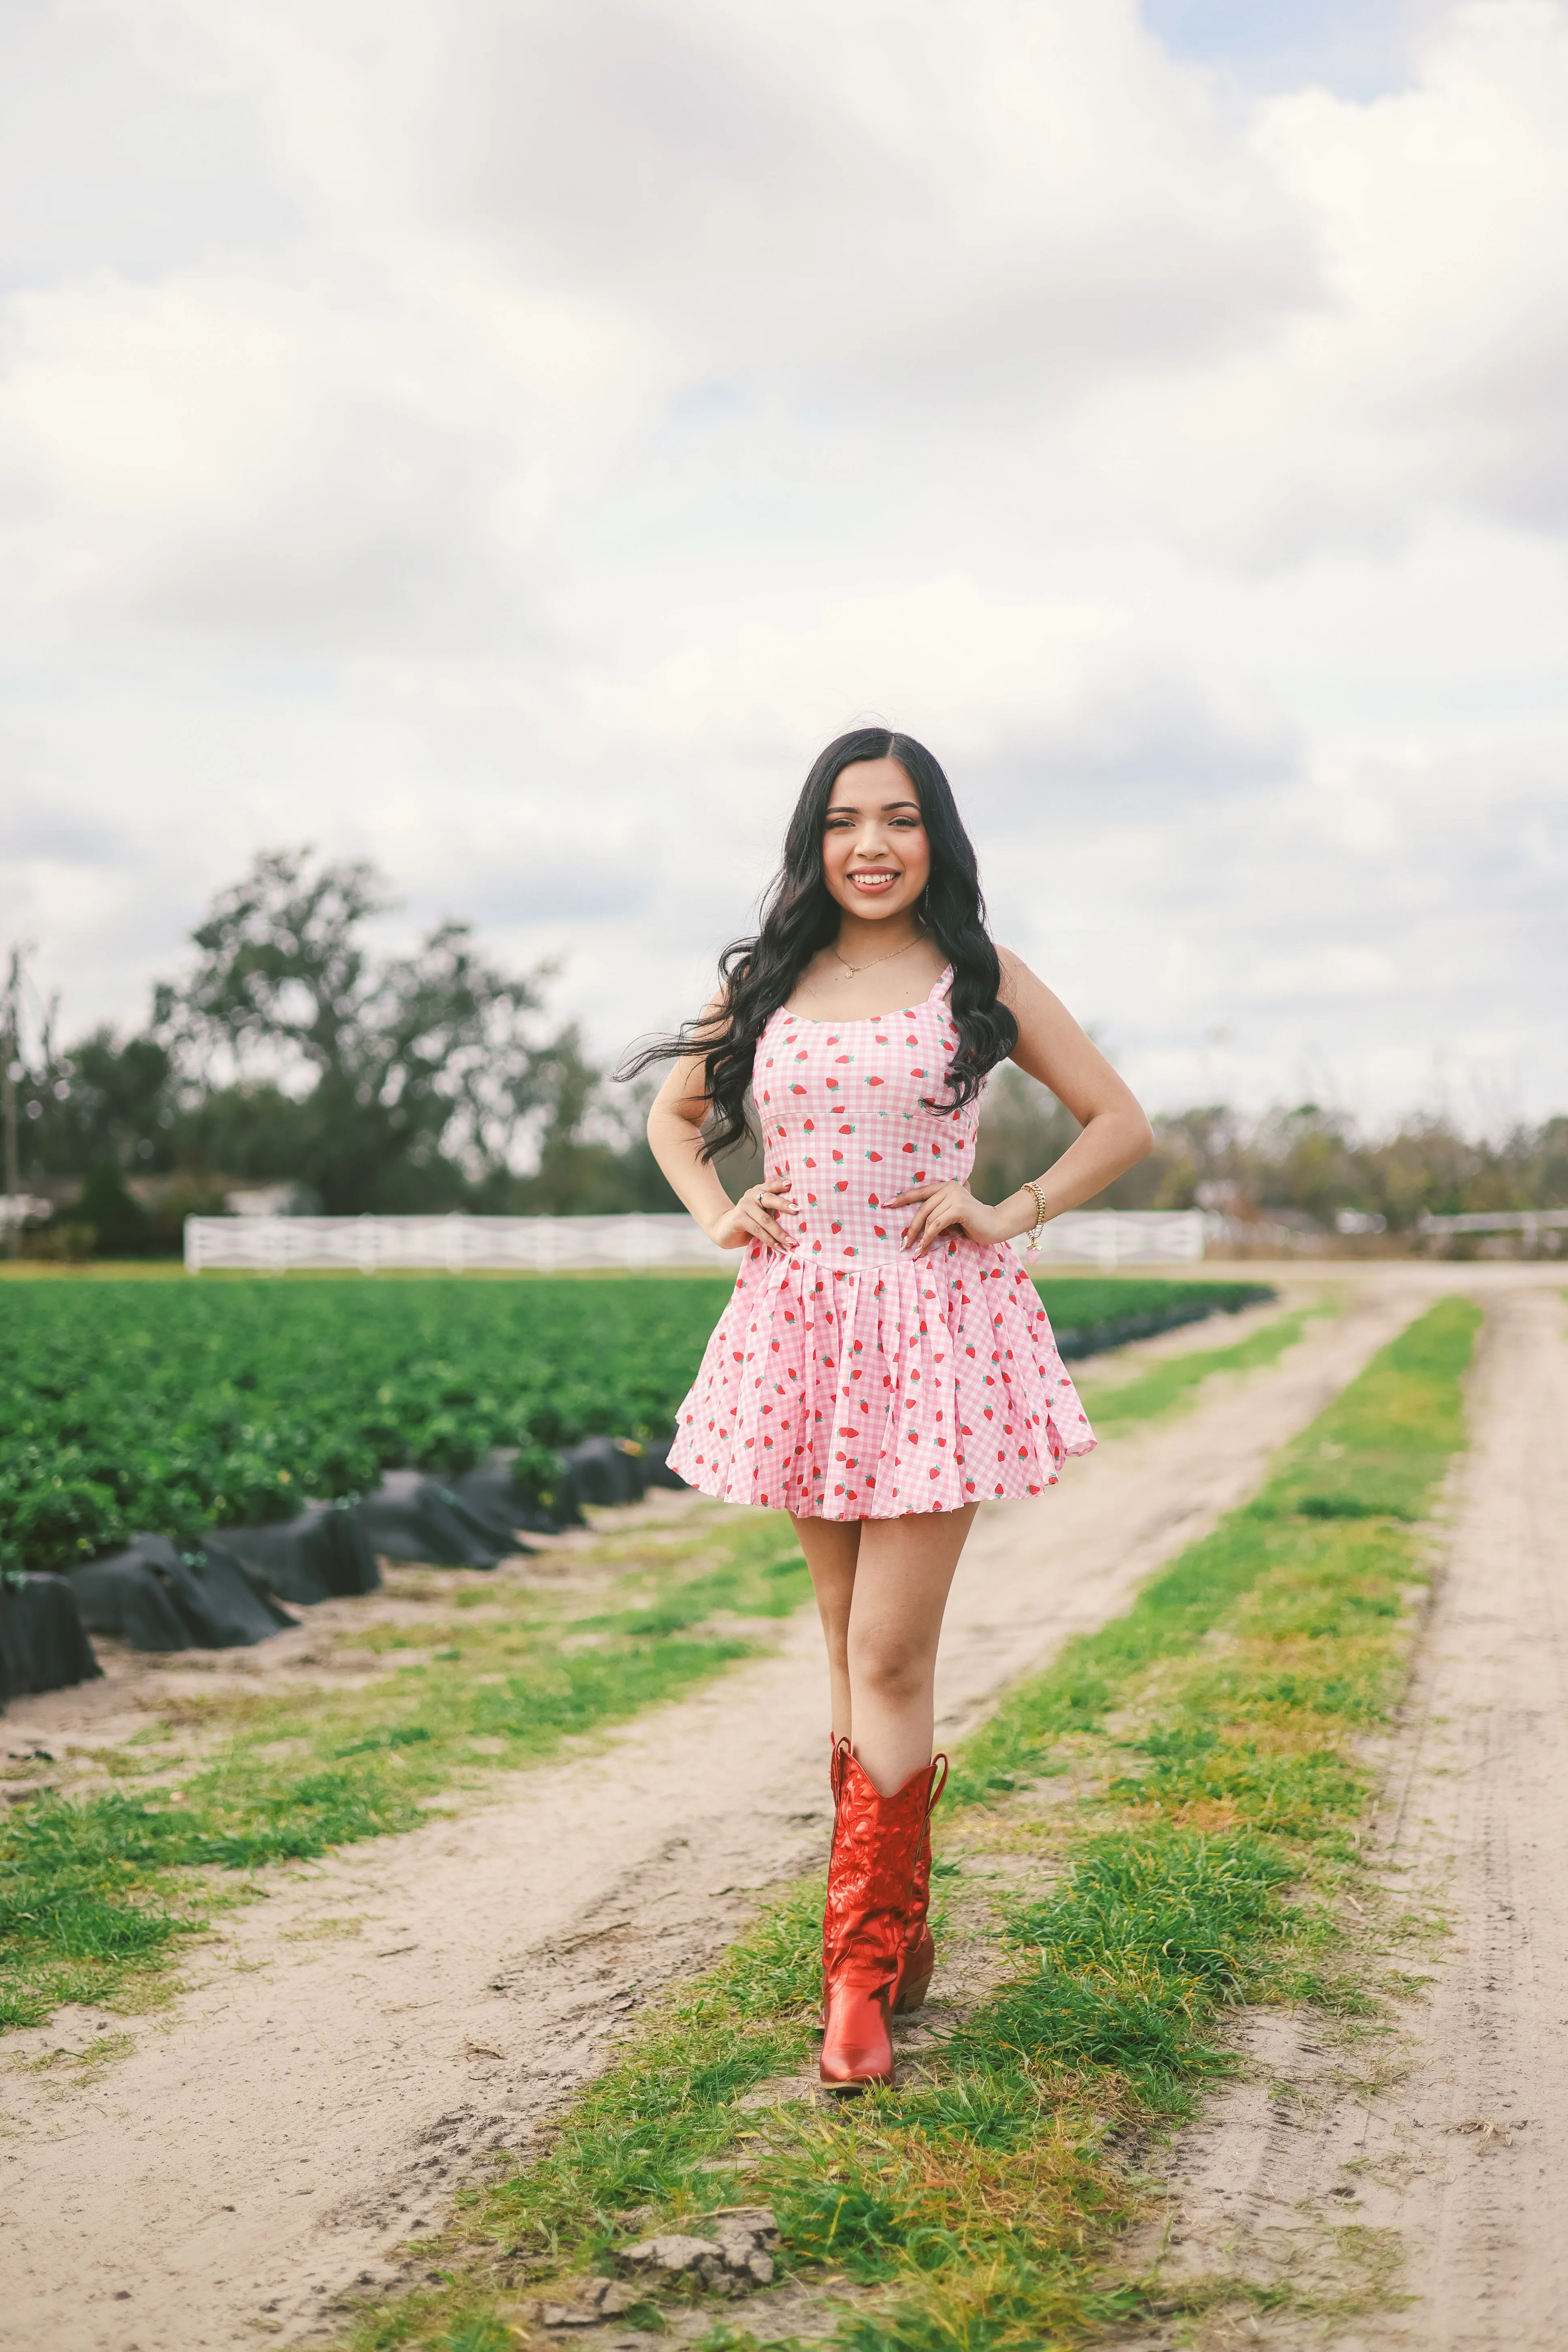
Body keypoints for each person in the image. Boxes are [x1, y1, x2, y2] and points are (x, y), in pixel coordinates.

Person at [633, 726, 1152, 2090]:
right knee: (842, 1646)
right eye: (848, 820)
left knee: (892, 1657)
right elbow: (677, 1123)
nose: (873, 845)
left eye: (902, 819)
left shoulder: (978, 977)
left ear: (938, 839)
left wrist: (1006, 1211)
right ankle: (899, 1930)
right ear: (815, 839)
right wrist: (719, 1213)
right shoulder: (764, 983)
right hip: (803, 1325)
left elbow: (1119, 1122)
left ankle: (857, 1973)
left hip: (934, 1331)